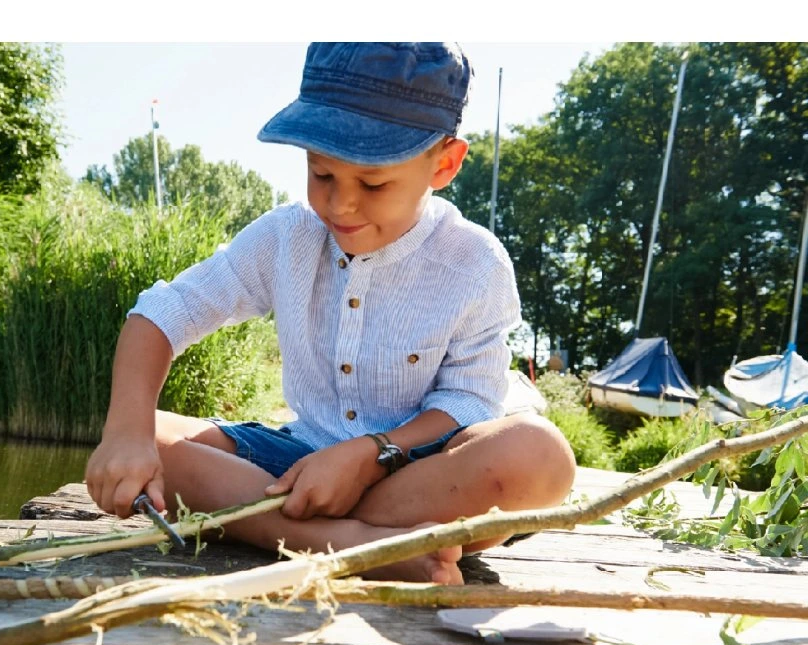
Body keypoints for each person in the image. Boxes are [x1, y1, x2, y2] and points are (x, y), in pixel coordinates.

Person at [85, 42, 576, 585]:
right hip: (298, 463)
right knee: (148, 433)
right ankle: (359, 546)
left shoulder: (475, 262)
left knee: (539, 455)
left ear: (444, 163)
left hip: (420, 470)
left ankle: (294, 531)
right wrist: (125, 434)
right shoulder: (285, 237)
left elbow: (469, 401)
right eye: (321, 174)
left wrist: (371, 454)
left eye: (373, 183)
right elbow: (162, 313)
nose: (340, 205)